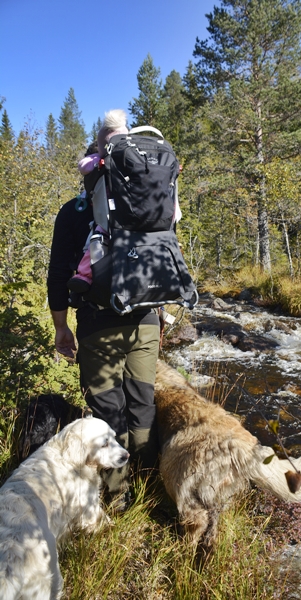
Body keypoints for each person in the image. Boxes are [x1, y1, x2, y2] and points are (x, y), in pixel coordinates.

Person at [47, 123, 160, 512]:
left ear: (90, 170)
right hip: (147, 320)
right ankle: (148, 481)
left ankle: (118, 497)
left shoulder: (74, 211)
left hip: (98, 324)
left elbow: (59, 275)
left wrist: (62, 328)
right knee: (142, 401)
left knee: (108, 409)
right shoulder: (148, 201)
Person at [67, 109, 128, 294]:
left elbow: (83, 166)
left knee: (95, 241)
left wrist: (96, 159)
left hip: (110, 214)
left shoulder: (99, 159)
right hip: (134, 213)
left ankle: (85, 275)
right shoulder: (135, 161)